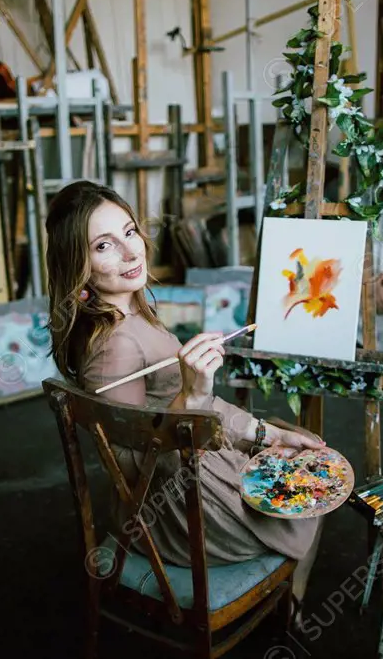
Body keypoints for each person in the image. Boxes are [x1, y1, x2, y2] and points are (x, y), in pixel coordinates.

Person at [45, 180, 326, 618]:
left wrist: (264, 434)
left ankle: (286, 601)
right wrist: (194, 394)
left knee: (297, 443)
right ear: (77, 264)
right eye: (104, 245)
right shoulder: (114, 344)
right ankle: (286, 606)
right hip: (172, 513)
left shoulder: (131, 311)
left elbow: (198, 412)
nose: (131, 251)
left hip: (192, 470)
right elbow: (134, 471)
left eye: (130, 232)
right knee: (311, 492)